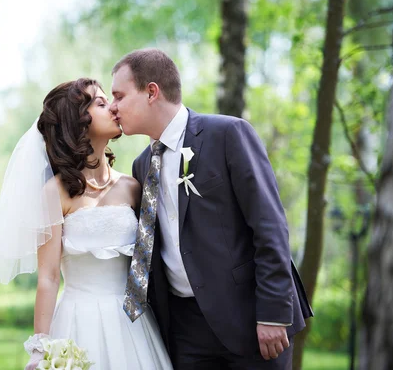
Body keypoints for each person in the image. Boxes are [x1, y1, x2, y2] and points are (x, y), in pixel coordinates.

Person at [110, 48, 313, 369]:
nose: (112, 107)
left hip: (249, 318)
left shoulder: (228, 134)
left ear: (151, 92)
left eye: (119, 96)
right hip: (184, 329)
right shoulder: (142, 165)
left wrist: (273, 313)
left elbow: (269, 226)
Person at [0, 78, 172, 370]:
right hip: (78, 321)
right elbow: (48, 277)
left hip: (133, 322)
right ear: (78, 122)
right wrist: (40, 346)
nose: (113, 107)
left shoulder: (133, 186)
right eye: (100, 103)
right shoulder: (55, 192)